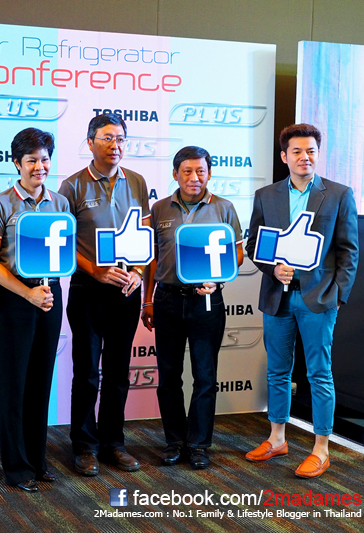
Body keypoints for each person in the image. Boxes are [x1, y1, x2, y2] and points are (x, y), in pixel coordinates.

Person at [244, 124, 358, 478]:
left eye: (310, 151)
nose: (304, 157)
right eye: (297, 151)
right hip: (277, 297)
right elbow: (254, 245)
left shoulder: (338, 194)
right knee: (277, 371)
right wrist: (272, 268)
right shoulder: (266, 195)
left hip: (317, 299)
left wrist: (337, 296)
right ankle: (277, 438)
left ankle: (321, 448)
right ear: (284, 156)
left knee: (319, 373)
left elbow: (348, 251)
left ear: (317, 154)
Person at [142, 146, 243, 470]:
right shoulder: (159, 208)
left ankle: (199, 444)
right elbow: (152, 259)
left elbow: (238, 254)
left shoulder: (224, 208)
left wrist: (217, 278)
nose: (194, 177)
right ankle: (174, 442)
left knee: (205, 376)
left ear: (209, 173)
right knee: (169, 376)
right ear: (175, 174)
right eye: (187, 171)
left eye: (201, 171)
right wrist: (147, 299)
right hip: (168, 299)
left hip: (207, 301)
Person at [58, 113, 149, 476]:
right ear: (90, 142)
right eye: (108, 138)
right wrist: (94, 270)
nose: (116, 146)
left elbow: (144, 234)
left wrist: (138, 272)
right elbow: (62, 241)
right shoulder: (72, 185)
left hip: (126, 289)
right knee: (86, 372)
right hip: (88, 288)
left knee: (117, 372)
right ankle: (84, 446)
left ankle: (114, 443)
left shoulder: (137, 182)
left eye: (121, 139)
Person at [0, 128, 70, 492]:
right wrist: (27, 294)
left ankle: (37, 460)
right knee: (13, 384)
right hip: (13, 297)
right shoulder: (1, 203)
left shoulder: (60, 203)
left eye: (45, 159)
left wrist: (44, 294)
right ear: (17, 163)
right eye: (31, 160)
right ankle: (17, 468)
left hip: (50, 295)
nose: (39, 167)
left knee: (40, 382)